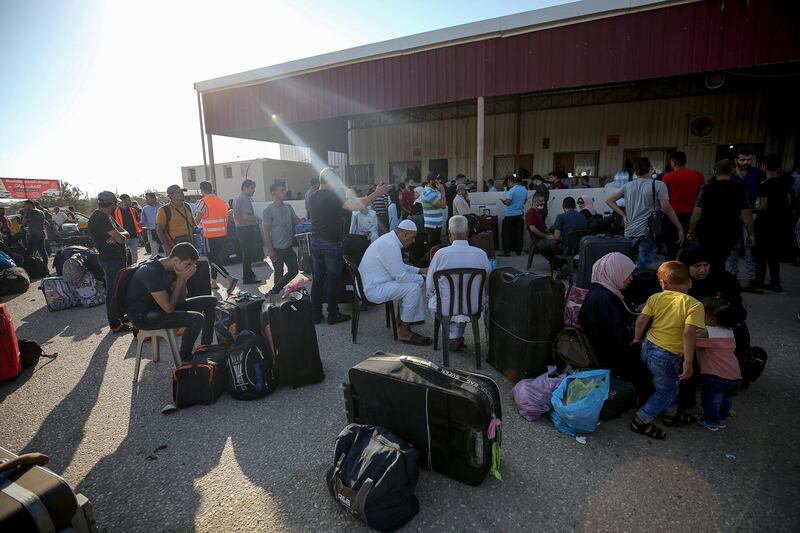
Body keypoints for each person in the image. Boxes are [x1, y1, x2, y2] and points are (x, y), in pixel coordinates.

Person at [630, 261, 704, 440]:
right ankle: (641, 420)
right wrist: (688, 361)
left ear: (663, 284)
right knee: (666, 391)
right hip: (667, 355)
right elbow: (688, 334)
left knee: (671, 384)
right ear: (689, 282)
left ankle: (671, 415)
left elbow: (640, 321)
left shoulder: (655, 297)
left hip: (648, 347)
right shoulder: (694, 305)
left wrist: (637, 339)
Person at [308, 167, 388, 325]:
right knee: (333, 279)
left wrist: (368, 195)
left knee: (318, 278)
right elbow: (358, 206)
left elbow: (356, 201)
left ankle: (315, 313)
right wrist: (377, 194)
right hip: (330, 243)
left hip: (315, 242)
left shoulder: (312, 195)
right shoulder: (332, 196)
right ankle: (333, 314)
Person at [125, 243, 216, 361]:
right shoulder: (150, 272)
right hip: (143, 317)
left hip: (159, 307)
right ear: (176, 260)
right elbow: (169, 308)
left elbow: (182, 300)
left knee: (211, 301)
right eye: (188, 264)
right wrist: (181, 280)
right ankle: (186, 357)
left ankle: (205, 348)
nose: (190, 268)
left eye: (193, 265)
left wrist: (183, 280)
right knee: (196, 319)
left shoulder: (172, 267)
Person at [579, 252, 651, 394]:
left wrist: (636, 309)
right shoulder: (607, 299)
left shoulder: (600, 289)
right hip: (610, 357)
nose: (631, 279)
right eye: (627, 274)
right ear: (614, 272)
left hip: (601, 349)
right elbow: (620, 337)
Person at [359, 219, 431, 345]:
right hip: (372, 289)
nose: (413, 241)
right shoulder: (391, 245)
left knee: (411, 285)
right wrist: (423, 278)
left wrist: (420, 270)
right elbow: (401, 277)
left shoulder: (389, 240)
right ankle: (405, 332)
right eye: (412, 237)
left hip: (372, 283)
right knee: (412, 288)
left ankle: (401, 319)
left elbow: (400, 266)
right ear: (404, 234)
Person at [426, 215, 491, 351]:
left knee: (434, 299)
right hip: (472, 308)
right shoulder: (481, 254)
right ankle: (455, 335)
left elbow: (430, 286)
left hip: (445, 308)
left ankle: (452, 335)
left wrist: (431, 294)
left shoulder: (440, 254)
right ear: (467, 233)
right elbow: (488, 284)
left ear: (449, 234)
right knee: (468, 300)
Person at [606, 157, 684, 269]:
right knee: (644, 268)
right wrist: (679, 227)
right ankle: (639, 285)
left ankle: (629, 285)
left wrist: (623, 215)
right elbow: (666, 208)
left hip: (629, 231)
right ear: (650, 169)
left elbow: (609, 201)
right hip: (647, 232)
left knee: (628, 266)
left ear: (635, 172)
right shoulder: (658, 185)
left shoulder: (628, 185)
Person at [688, 159, 755, 278]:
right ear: (732, 171)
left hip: (707, 230)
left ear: (714, 171)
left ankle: (711, 283)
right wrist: (751, 234)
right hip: (730, 230)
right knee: (722, 259)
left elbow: (697, 211)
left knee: (708, 258)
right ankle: (719, 282)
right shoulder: (740, 189)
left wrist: (691, 229)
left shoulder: (706, 189)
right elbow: (746, 213)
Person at [88, 191, 133, 333]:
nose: (117, 205)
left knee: (119, 289)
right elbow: (121, 238)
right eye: (116, 203)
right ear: (113, 204)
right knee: (113, 291)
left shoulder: (107, 217)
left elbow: (125, 233)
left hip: (116, 258)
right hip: (111, 259)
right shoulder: (99, 219)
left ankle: (119, 316)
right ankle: (114, 323)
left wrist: (118, 236)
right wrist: (118, 237)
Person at [695, 297, 742, 431]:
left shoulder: (707, 332)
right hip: (734, 375)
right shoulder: (730, 332)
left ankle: (710, 421)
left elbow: (690, 341)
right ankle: (721, 419)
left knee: (713, 400)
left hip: (716, 375)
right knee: (726, 399)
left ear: (712, 319)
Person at [752, 154, 794, 293]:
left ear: (764, 166)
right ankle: (776, 283)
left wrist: (749, 208)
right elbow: (789, 203)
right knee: (773, 256)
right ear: (779, 168)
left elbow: (762, 207)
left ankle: (759, 283)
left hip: (765, 223)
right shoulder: (786, 184)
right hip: (780, 222)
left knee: (761, 255)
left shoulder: (765, 185)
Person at [727, 148, 762, 284]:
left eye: (748, 159)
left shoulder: (757, 174)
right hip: (734, 213)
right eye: (742, 159)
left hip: (751, 212)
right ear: (736, 160)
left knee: (750, 244)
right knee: (733, 245)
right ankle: (732, 273)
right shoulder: (730, 174)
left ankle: (752, 277)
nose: (745, 162)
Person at [194, 181, 237, 291]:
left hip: (210, 235)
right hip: (222, 234)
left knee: (212, 259)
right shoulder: (222, 201)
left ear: (201, 190)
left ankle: (229, 278)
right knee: (215, 258)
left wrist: (192, 225)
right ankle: (213, 281)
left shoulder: (202, 202)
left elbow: (197, 220)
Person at [263, 182, 301, 295]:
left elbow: (297, 220)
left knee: (294, 271)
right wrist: (270, 250)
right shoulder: (268, 210)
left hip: (288, 246)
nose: (284, 192)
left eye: (284, 190)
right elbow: (266, 231)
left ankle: (274, 291)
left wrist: (308, 224)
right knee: (278, 273)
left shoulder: (288, 207)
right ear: (273, 193)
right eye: (281, 190)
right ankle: (275, 300)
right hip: (276, 248)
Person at [536, 197, 588, 264]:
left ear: (563, 206)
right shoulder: (583, 217)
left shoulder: (561, 217)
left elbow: (556, 237)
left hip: (566, 248)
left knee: (541, 244)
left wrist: (550, 236)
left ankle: (557, 264)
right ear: (575, 205)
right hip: (580, 248)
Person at [233, 179, 262, 284]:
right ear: (245, 187)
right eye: (252, 188)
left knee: (246, 253)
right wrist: (257, 219)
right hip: (246, 229)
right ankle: (247, 277)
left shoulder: (237, 198)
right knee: (248, 254)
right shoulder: (244, 199)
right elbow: (246, 216)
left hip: (240, 229)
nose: (253, 191)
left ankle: (249, 273)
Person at [156, 185, 196, 257]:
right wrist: (167, 248)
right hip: (174, 249)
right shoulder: (164, 210)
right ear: (171, 195)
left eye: (182, 192)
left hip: (190, 246)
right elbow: (159, 231)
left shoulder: (187, 206)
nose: (182, 194)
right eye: (179, 192)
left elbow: (193, 224)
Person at [500, 174, 527, 256]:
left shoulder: (512, 190)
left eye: (508, 182)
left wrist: (503, 201)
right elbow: (525, 201)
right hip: (520, 214)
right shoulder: (524, 189)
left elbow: (508, 202)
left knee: (507, 234)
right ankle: (518, 250)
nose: (508, 184)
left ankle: (507, 252)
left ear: (511, 181)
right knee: (519, 233)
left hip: (510, 214)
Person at [114, 194, 141, 264]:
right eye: (129, 200)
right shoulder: (114, 211)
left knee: (134, 255)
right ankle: (125, 271)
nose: (130, 201)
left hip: (133, 236)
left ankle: (134, 268)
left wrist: (140, 235)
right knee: (124, 256)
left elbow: (136, 223)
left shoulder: (133, 210)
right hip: (122, 237)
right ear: (123, 201)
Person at [420, 179, 446, 248]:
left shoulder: (433, 192)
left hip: (436, 225)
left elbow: (443, 203)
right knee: (433, 248)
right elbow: (443, 205)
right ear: (431, 181)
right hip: (432, 226)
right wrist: (443, 192)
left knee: (435, 247)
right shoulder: (428, 193)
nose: (440, 184)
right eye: (438, 182)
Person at [140, 192, 162, 258]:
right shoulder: (145, 209)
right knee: (154, 251)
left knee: (167, 249)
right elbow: (143, 220)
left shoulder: (162, 207)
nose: (146, 200)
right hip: (151, 232)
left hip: (162, 231)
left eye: (147, 198)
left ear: (154, 198)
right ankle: (156, 265)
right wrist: (142, 223)